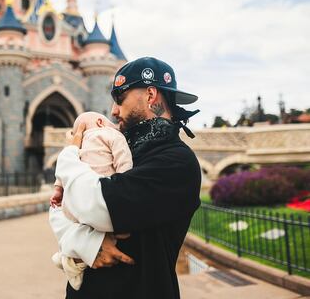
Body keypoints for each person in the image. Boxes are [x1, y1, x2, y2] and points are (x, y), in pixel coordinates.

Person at [49, 56, 202, 299]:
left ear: (151, 96)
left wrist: (68, 156)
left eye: (120, 98)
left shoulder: (176, 162)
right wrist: (86, 243)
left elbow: (97, 205)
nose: (113, 110)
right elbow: (59, 206)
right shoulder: (116, 146)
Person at [50, 111, 133, 290]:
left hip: (73, 203)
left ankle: (69, 257)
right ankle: (71, 259)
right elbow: (124, 163)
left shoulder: (77, 147)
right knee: (118, 231)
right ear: (100, 122)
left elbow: (64, 172)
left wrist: (58, 189)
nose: (114, 114)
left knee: (82, 226)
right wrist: (124, 180)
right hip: (101, 193)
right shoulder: (114, 135)